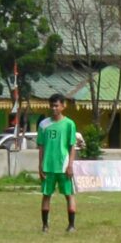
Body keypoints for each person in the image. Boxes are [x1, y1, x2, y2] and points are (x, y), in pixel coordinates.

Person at [36, 94, 79, 233]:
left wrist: (70, 165)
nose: (54, 108)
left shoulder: (69, 124)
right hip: (48, 166)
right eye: (51, 106)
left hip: (63, 165)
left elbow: (72, 146)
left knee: (69, 194)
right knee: (46, 195)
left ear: (63, 106)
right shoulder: (43, 124)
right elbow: (41, 146)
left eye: (56, 106)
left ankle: (71, 225)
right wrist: (40, 164)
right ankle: (45, 225)